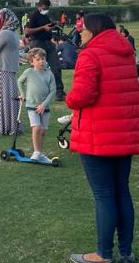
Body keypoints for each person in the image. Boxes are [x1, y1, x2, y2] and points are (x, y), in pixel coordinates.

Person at [66, 14, 139, 263]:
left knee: (104, 195)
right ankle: (126, 251)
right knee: (122, 192)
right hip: (123, 133)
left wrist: (70, 99)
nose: (80, 32)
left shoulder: (90, 55)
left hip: (97, 134)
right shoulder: (125, 51)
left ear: (94, 30)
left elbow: (82, 94)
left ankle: (103, 253)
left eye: (83, 29)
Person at [17, 48, 56, 163]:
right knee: (36, 127)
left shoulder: (49, 74)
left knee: (42, 131)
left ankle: (40, 152)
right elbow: (19, 81)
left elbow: (53, 91)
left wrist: (44, 105)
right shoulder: (29, 72)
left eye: (43, 59)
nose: (41, 61)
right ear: (32, 62)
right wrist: (23, 94)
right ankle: (36, 152)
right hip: (31, 105)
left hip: (45, 107)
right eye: (38, 59)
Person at [0, 8, 21, 135]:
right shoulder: (13, 33)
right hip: (10, 68)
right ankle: (11, 125)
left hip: (1, 68)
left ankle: (3, 126)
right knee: (9, 99)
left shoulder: (4, 33)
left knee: (2, 99)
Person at [25, 0, 66, 101]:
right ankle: (37, 92)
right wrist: (43, 28)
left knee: (56, 67)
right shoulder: (33, 15)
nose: (45, 10)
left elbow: (46, 26)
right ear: (39, 6)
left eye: (47, 8)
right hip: (37, 42)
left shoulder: (45, 16)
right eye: (44, 8)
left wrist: (52, 25)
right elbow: (27, 30)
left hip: (48, 42)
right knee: (38, 68)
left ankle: (59, 92)